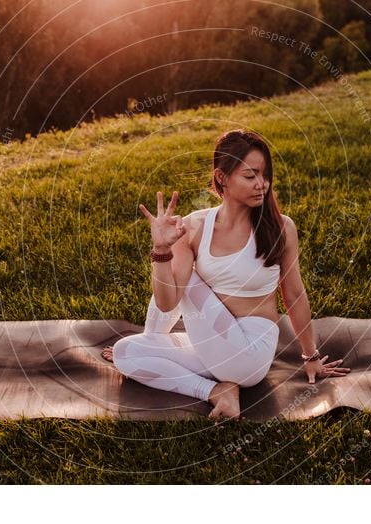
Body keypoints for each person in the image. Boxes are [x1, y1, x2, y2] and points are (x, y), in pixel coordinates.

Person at [102, 130, 350, 419]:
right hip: (213, 347)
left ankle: (162, 346)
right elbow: (167, 303)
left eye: (264, 175)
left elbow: (293, 293)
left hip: (250, 354)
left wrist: (311, 357)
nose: (262, 185)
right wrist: (160, 250)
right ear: (222, 177)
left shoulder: (281, 228)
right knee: (125, 353)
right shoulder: (194, 227)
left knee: (188, 279)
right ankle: (215, 390)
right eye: (250, 176)